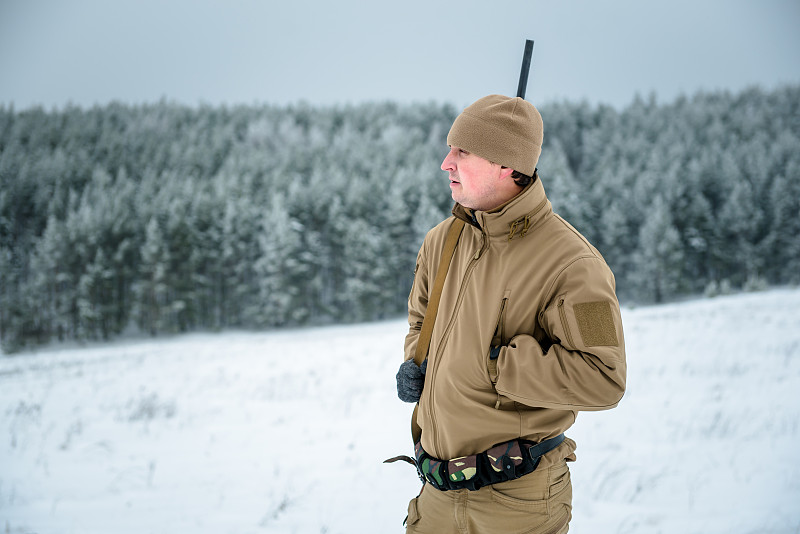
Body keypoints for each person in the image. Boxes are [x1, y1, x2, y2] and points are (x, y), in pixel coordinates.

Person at [395, 94, 627, 533]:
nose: (446, 163)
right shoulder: (441, 243)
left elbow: (605, 379)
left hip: (516, 506)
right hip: (436, 499)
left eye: (462, 151)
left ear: (506, 165)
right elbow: (421, 319)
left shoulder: (576, 266)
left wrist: (497, 365)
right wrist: (418, 361)